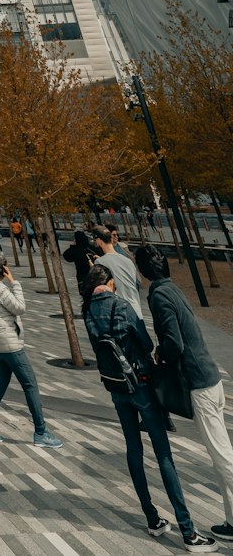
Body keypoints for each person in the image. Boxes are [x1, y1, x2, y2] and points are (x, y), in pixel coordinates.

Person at [83, 262, 214, 547]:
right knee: (163, 454)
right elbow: (144, 343)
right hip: (140, 385)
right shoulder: (121, 306)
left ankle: (152, 518)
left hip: (115, 387)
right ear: (111, 283)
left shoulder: (87, 309)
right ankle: (188, 530)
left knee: (133, 450)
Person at [136, 244, 233, 541]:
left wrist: (159, 356)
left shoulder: (159, 295)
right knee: (223, 457)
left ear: (141, 271)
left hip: (198, 384)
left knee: (224, 459)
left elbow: (174, 343)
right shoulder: (172, 288)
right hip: (210, 377)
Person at [0, 250, 62, 449]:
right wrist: (14, 282)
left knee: (0, 381)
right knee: (30, 384)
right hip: (10, 344)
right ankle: (41, 431)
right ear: (2, 269)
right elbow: (20, 307)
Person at [92, 224, 142, 316]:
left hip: (120, 312)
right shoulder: (127, 260)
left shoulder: (100, 262)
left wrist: (93, 270)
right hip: (136, 309)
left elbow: (103, 289)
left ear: (99, 241)